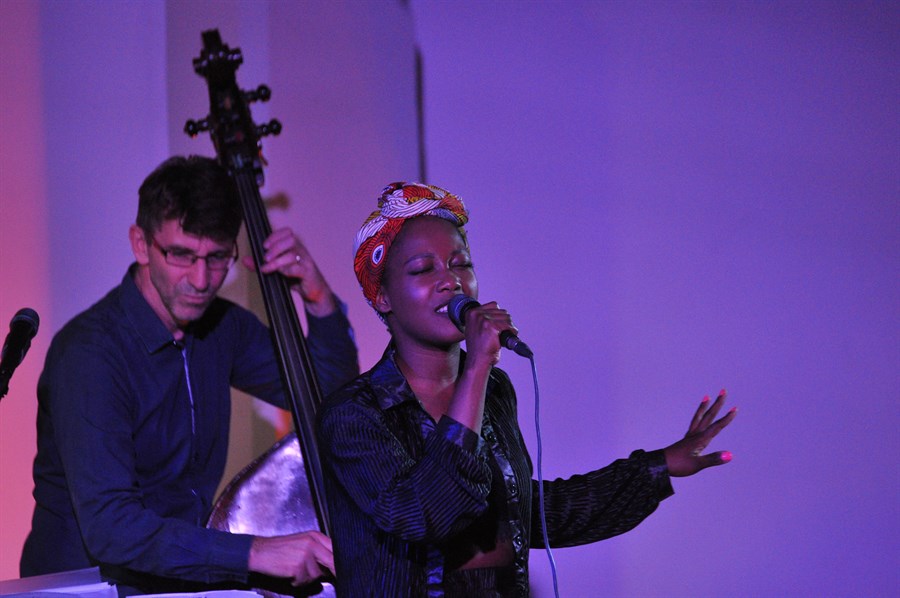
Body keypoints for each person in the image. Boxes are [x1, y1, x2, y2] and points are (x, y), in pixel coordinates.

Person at [317, 182, 738, 597]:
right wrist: (477, 366)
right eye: (424, 269)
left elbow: (526, 512)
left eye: (461, 264)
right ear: (383, 297)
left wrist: (658, 467)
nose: (451, 281)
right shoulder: (354, 414)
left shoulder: (494, 389)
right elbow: (424, 514)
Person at [20, 156, 359, 595]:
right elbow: (112, 528)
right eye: (181, 255)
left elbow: (328, 399)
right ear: (140, 244)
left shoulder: (222, 329)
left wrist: (317, 297)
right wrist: (254, 552)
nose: (201, 280)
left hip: (174, 582)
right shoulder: (90, 353)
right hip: (84, 587)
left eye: (217, 257)